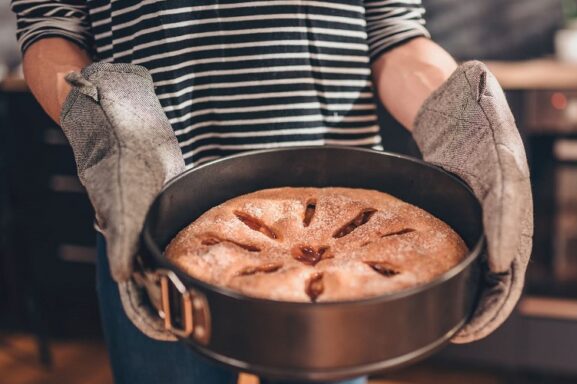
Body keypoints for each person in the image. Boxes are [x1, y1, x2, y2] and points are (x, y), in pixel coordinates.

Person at [11, 1, 533, 384]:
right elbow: (50, 31)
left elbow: (395, 36)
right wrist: (105, 125)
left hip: (352, 239)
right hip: (146, 211)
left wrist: (464, 122)